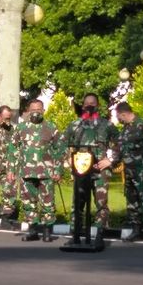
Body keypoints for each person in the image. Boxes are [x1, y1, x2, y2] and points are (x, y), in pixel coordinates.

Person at [60, 93, 120, 250]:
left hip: (100, 171)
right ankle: (75, 235)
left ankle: (100, 234)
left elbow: (120, 143)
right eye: (86, 104)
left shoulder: (106, 125)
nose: (89, 106)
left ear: (98, 105)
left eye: (92, 103)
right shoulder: (75, 125)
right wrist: (67, 163)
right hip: (81, 171)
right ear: (82, 105)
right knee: (77, 204)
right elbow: (63, 144)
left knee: (101, 203)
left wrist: (111, 160)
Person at [10, 99, 63, 242]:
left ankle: (47, 231)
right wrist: (11, 169)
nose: (35, 112)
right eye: (33, 110)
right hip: (27, 173)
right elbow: (13, 149)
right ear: (28, 112)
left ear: (43, 111)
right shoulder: (20, 128)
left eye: (38, 110)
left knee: (47, 203)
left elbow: (60, 150)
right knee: (29, 203)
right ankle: (33, 231)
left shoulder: (51, 127)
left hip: (46, 173)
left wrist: (58, 170)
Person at [116, 102, 143, 244]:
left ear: (123, 113)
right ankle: (136, 231)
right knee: (132, 202)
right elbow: (121, 150)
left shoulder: (142, 125)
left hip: (142, 171)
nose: (118, 119)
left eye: (118, 116)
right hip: (129, 172)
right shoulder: (124, 130)